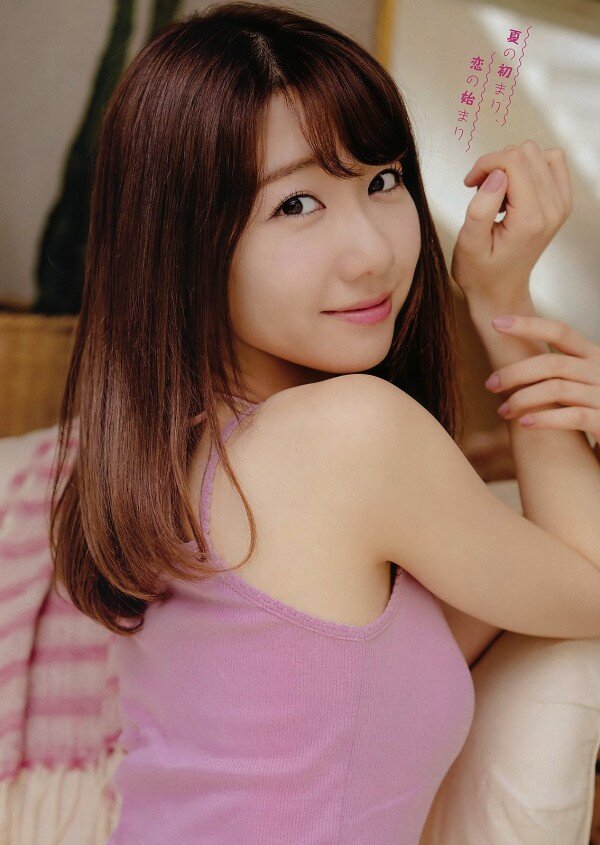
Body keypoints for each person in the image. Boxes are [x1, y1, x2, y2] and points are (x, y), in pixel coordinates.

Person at [46, 3, 600, 842]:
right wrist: (500, 297)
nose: (372, 251)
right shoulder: (346, 435)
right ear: (185, 241)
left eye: (382, 181)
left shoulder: (174, 453)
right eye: (297, 204)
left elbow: (389, 668)